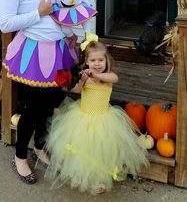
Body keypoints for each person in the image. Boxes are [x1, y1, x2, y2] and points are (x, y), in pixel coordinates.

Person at [0, 0, 78, 184]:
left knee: (49, 102)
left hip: (58, 49)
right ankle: (20, 156)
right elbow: (5, 23)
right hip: (31, 53)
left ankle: (40, 146)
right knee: (32, 108)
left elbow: (66, 4)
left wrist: (72, 31)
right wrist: (37, 12)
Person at [43, 32, 149, 194]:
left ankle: (99, 179)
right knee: (80, 150)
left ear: (107, 61)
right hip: (82, 117)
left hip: (103, 120)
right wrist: (83, 80)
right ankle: (77, 174)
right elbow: (77, 91)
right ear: (86, 61)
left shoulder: (107, 77)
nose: (97, 63)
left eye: (101, 60)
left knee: (101, 152)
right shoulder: (86, 77)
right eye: (93, 60)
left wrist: (96, 75)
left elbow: (115, 78)